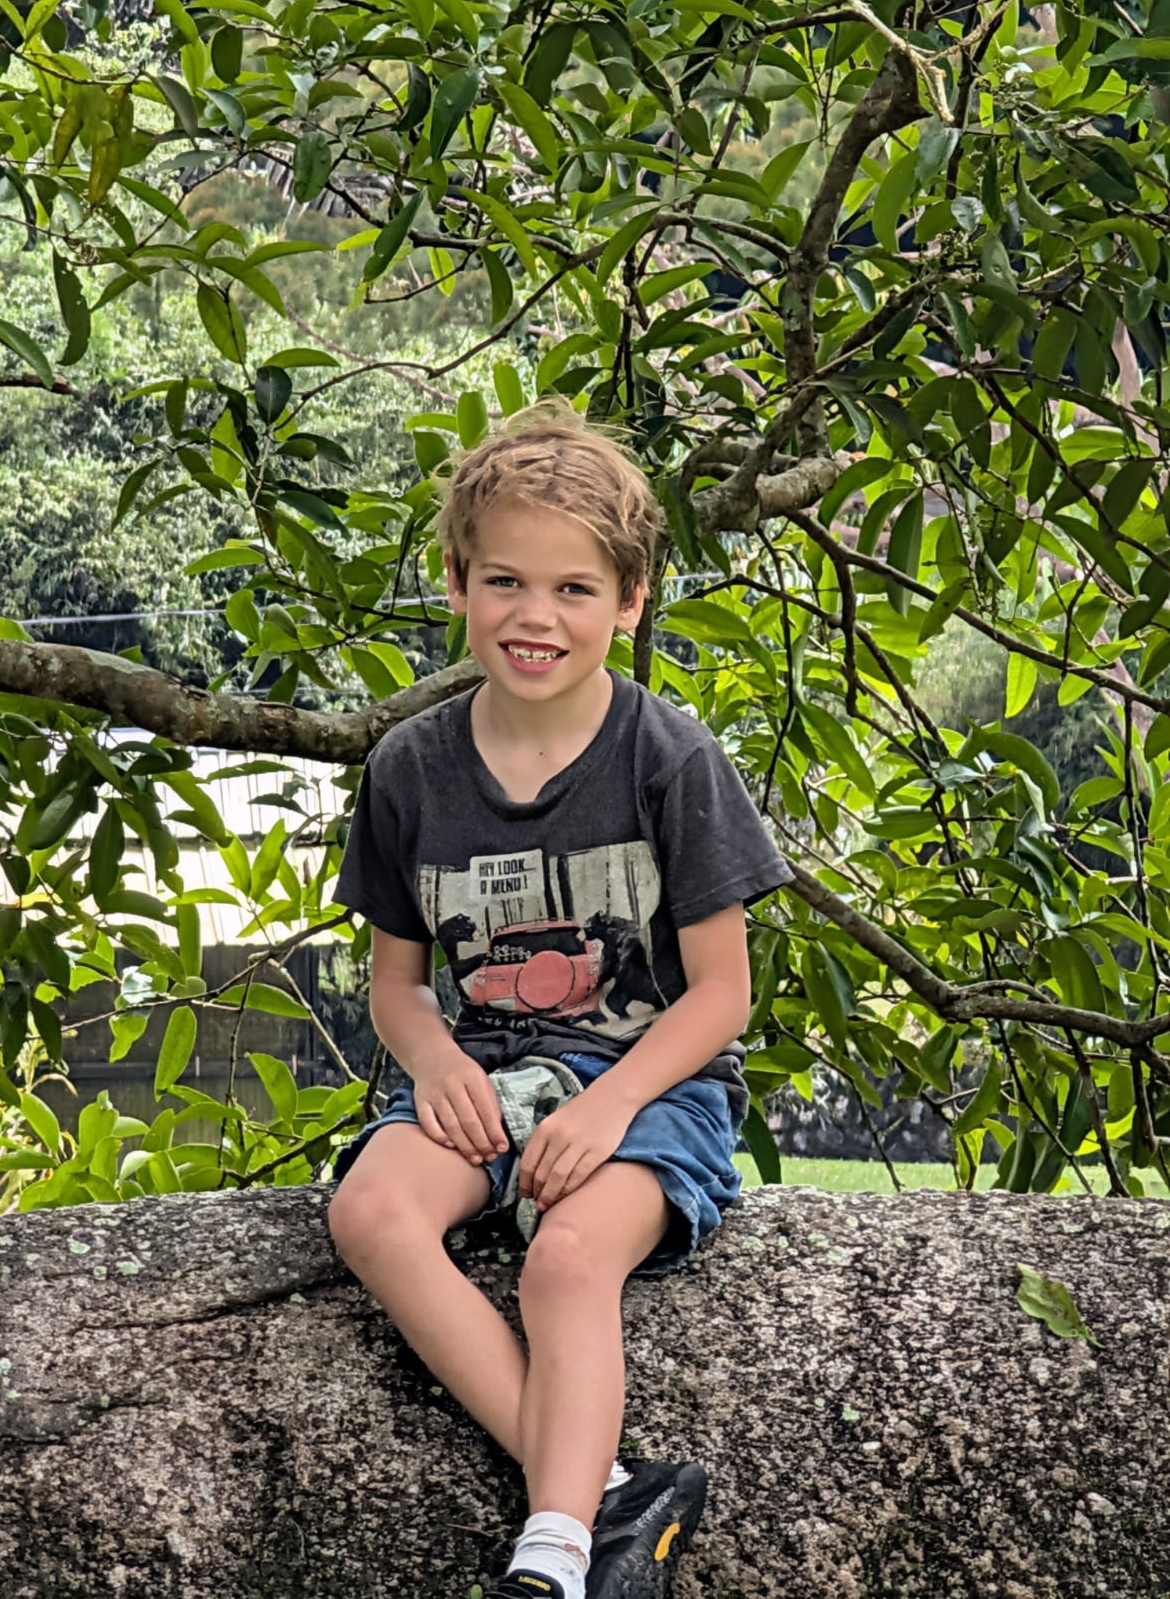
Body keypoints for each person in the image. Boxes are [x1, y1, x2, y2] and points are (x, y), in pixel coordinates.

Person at [326, 402, 792, 1599]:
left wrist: (607, 1107)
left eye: (574, 589)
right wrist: (437, 1066)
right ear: (456, 583)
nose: (535, 616)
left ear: (630, 600)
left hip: (654, 1088)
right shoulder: (408, 770)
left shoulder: (668, 758)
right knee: (370, 1211)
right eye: (505, 581)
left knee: (566, 1260)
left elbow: (722, 995)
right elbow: (397, 986)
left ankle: (555, 1555)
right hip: (488, 1075)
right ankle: (616, 1486)